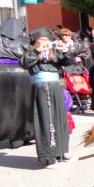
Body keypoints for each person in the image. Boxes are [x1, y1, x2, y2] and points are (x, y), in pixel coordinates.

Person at [20, 28, 72, 168]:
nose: (44, 42)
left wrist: (65, 50)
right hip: (42, 87)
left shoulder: (54, 51)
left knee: (60, 118)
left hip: (56, 86)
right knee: (46, 119)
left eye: (46, 40)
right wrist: (37, 51)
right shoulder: (31, 52)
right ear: (35, 41)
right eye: (41, 40)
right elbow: (24, 63)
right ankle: (49, 156)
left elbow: (68, 62)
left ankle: (62, 151)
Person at [0, 18, 34, 147]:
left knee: (1, 107)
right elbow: (30, 57)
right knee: (22, 106)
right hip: (21, 74)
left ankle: (2, 133)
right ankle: (20, 136)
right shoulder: (24, 41)